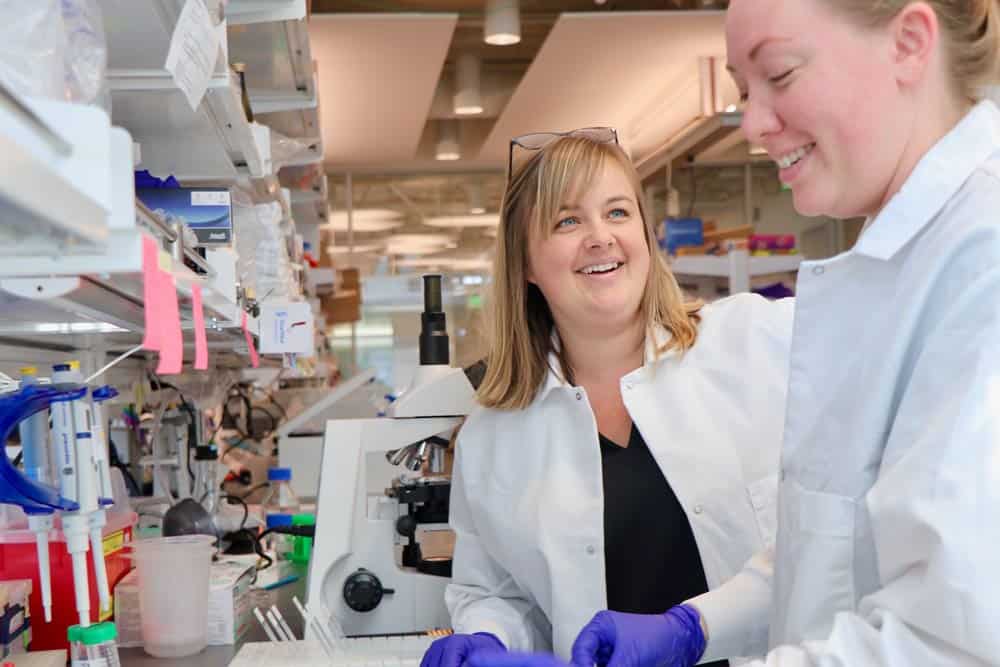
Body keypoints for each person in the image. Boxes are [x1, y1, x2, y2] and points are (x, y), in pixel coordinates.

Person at [472, 1, 1000, 666]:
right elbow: (824, 553)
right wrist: (693, 624)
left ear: (909, 43)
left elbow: (950, 640)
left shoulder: (980, 263)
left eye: (779, 74)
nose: (751, 124)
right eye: (745, 91)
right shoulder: (899, 270)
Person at [418, 129, 794, 667]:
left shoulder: (754, 341)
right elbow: (498, 593)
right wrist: (488, 638)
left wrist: (693, 629)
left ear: (645, 234)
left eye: (618, 212)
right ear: (525, 263)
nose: (600, 237)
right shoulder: (494, 435)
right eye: (567, 221)